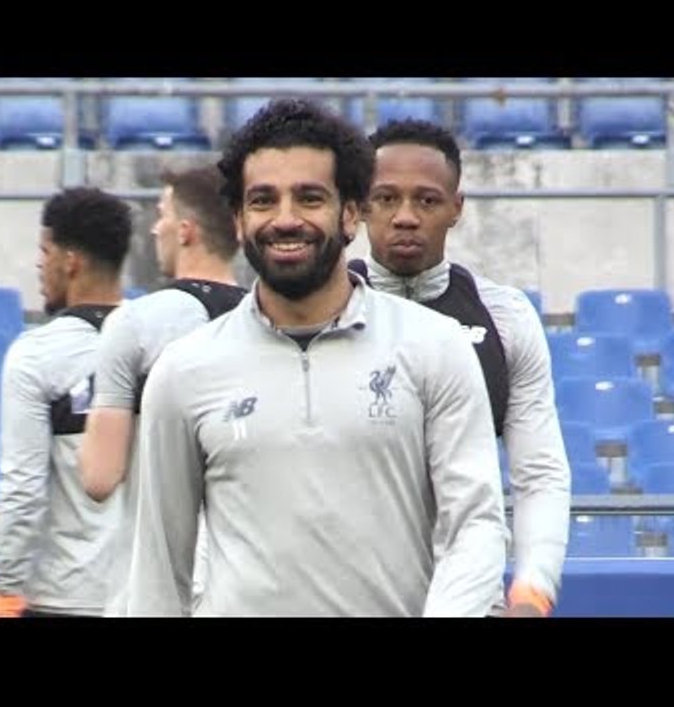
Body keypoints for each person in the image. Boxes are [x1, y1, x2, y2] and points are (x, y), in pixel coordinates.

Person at [125, 98, 508, 617]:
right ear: (238, 219)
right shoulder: (184, 370)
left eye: (309, 198)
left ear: (351, 213)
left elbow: (476, 525)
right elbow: (158, 569)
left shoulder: (433, 345)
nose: (285, 220)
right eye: (262, 201)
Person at [350, 118, 570, 617]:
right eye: (386, 198)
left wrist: (533, 591)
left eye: (426, 200)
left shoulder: (506, 317)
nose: (405, 216)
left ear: (456, 207)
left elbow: (539, 473)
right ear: (360, 205)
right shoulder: (321, 313)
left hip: (473, 602)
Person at [79, 164, 246, 615]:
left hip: (161, 580)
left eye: (162, 212)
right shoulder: (268, 319)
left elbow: (98, 476)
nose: (156, 228)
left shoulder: (134, 323)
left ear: (187, 230)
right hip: (249, 579)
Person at [0, 187, 132, 618]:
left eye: (44, 249)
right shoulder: (162, 341)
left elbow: (21, 489)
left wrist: (7, 590)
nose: (38, 263)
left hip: (64, 597)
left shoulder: (37, 355)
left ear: (70, 261)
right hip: (150, 592)